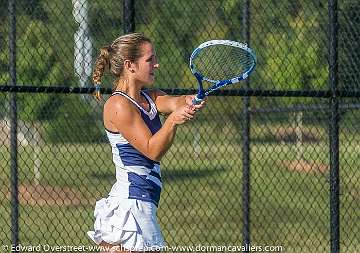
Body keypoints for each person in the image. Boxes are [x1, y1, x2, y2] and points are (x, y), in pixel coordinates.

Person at [87, 33, 206, 253]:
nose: (156, 64)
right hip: (131, 209)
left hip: (142, 205)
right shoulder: (118, 106)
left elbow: (174, 101)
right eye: (150, 59)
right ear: (130, 65)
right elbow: (152, 150)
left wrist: (189, 101)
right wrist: (172, 122)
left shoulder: (150, 97)